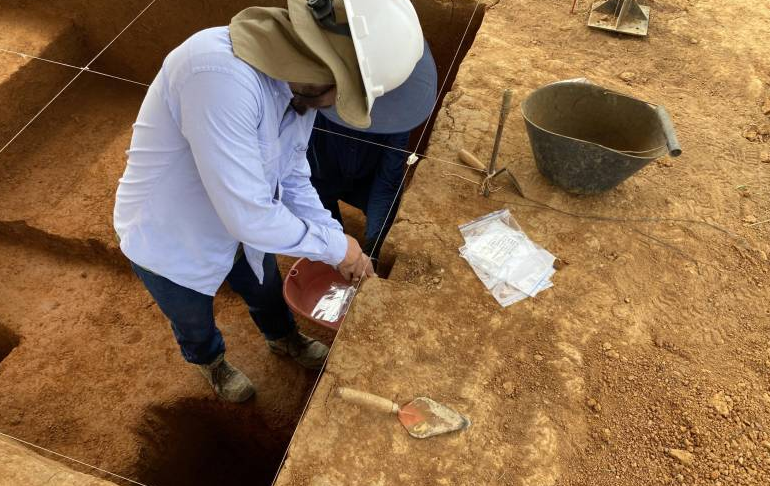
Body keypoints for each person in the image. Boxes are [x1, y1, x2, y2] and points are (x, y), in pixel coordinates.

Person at [113, 0, 425, 402]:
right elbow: (247, 213)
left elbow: (293, 175)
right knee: (192, 317)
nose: (337, 105)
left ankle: (284, 338)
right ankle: (211, 362)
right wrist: (340, 249)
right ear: (325, 67)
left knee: (264, 290)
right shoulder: (215, 74)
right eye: (344, 94)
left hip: (243, 229)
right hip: (173, 237)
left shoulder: (299, 87)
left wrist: (334, 238)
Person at [308, 42, 438, 264]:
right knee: (327, 238)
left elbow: (387, 182)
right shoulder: (314, 96)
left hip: (367, 182)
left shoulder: (399, 112)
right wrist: (335, 245)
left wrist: (373, 248)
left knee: (386, 221)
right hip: (319, 177)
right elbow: (297, 173)